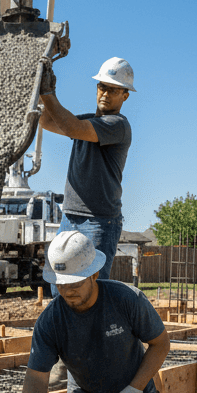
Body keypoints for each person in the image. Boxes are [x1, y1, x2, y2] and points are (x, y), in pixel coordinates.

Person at [20, 231, 177, 393]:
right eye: (61, 284)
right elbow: (36, 376)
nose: (67, 291)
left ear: (94, 274)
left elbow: (160, 344)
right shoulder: (50, 321)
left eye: (75, 283)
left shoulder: (126, 299)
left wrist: (135, 388)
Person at [38, 57, 135, 282]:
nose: (105, 94)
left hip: (98, 221)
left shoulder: (118, 125)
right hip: (69, 216)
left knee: (91, 287)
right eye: (102, 87)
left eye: (113, 90)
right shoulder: (86, 121)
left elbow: (71, 126)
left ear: (125, 95)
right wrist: (37, 90)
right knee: (60, 284)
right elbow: (48, 122)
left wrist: (48, 93)